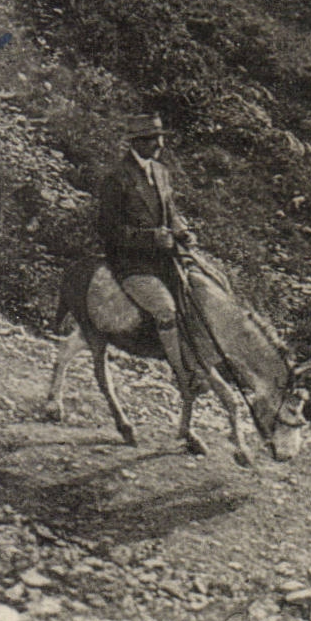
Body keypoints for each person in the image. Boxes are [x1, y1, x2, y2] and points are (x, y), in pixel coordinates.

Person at [96, 113, 203, 432]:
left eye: (159, 138)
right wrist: (148, 238)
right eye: (150, 139)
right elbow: (107, 229)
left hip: (164, 257)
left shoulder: (161, 171)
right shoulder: (117, 178)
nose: (158, 144)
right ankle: (181, 375)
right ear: (136, 143)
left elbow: (171, 213)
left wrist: (183, 232)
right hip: (131, 262)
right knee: (165, 308)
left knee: (199, 295)